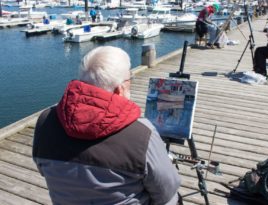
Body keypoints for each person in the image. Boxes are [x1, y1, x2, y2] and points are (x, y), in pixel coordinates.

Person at [32, 46, 181, 205]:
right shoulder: (142, 134)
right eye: (130, 78)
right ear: (119, 89)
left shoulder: (45, 122)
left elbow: (43, 170)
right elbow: (166, 191)